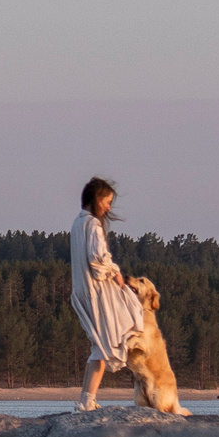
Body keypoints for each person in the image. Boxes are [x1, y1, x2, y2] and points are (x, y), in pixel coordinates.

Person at [70, 176, 144, 411]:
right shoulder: (92, 224)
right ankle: (87, 401)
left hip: (83, 291)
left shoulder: (76, 223)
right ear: (97, 199)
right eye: (108, 201)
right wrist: (116, 273)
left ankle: (85, 399)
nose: (109, 207)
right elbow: (98, 258)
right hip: (96, 292)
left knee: (99, 346)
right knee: (106, 345)